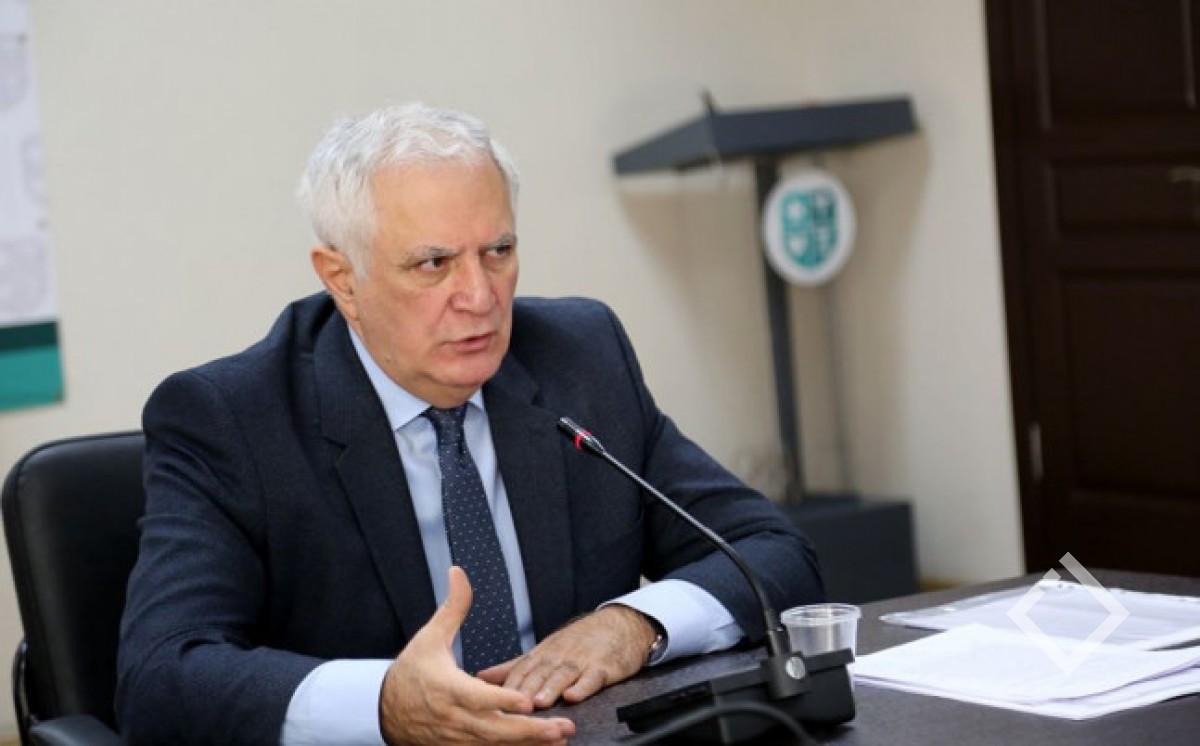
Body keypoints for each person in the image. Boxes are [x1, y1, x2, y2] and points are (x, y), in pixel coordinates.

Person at [116, 102, 824, 745]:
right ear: (342, 279)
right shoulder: (232, 419)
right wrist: (385, 703)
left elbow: (773, 553)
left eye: (498, 252)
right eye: (434, 263)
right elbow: (159, 678)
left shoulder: (580, 358)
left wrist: (632, 624)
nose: (480, 297)